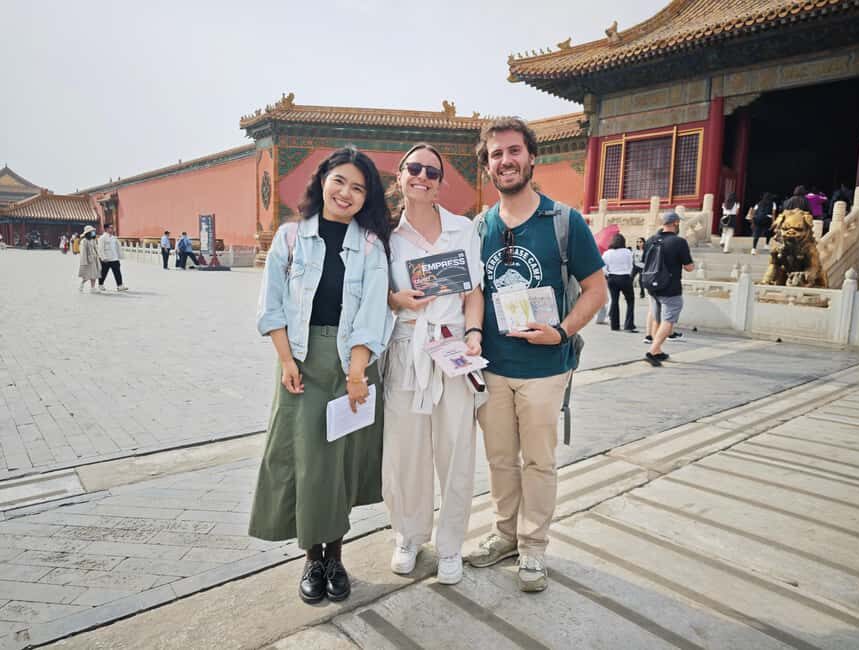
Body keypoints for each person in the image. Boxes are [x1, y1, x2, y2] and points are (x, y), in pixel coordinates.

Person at [466, 118, 606, 592]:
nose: (505, 161)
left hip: (545, 369)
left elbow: (595, 290)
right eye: (496, 154)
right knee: (500, 461)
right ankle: (504, 535)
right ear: (487, 166)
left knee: (539, 462)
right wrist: (468, 335)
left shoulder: (563, 222)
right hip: (492, 370)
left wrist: (563, 332)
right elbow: (475, 292)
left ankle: (534, 548)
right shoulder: (480, 227)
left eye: (513, 151)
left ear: (531, 158)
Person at [248, 147, 393, 606]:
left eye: (358, 187)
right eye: (339, 181)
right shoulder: (290, 239)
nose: (346, 193)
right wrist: (287, 361)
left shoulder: (370, 246)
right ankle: (313, 558)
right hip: (301, 361)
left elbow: (372, 310)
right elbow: (270, 307)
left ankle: (336, 555)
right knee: (308, 462)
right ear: (322, 181)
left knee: (339, 461)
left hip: (352, 360)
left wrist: (356, 371)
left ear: (365, 197)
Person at [382, 143, 484, 586]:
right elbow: (371, 293)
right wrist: (394, 298)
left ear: (441, 183)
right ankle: (408, 535)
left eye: (432, 172)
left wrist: (475, 334)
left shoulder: (463, 229)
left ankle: (450, 545)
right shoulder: (383, 236)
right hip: (406, 347)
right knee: (406, 449)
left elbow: (474, 292)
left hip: (454, 348)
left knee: (456, 448)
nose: (422, 176)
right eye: (414, 169)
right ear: (400, 176)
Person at [643, 212, 694, 367]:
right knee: (668, 320)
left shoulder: (651, 240)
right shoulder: (679, 242)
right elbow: (689, 267)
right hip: (670, 287)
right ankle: (652, 351)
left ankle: (657, 350)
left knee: (657, 318)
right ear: (676, 223)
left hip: (652, 285)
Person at [601, 233, 636, 332]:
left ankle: (614, 325)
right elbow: (631, 266)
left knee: (614, 301)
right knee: (630, 301)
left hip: (612, 277)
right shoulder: (627, 252)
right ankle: (629, 325)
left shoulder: (607, 253)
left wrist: (608, 274)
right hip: (625, 277)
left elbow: (603, 267)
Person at [97, 223, 127, 292]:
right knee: (103, 273)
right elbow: (100, 249)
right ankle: (100, 285)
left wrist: (120, 256)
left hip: (114, 258)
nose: (112, 229)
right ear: (106, 229)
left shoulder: (114, 238)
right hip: (106, 259)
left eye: (112, 228)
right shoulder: (102, 238)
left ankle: (120, 286)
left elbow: (118, 248)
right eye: (111, 228)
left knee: (117, 272)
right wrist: (103, 258)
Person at [77, 226, 100, 292]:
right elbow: (83, 252)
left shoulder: (93, 240)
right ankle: (82, 284)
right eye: (92, 232)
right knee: (87, 275)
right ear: (88, 233)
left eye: (93, 231)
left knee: (95, 274)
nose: (93, 233)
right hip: (88, 260)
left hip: (94, 259)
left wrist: (99, 256)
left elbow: (96, 249)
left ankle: (92, 288)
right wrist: (84, 261)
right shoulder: (84, 241)